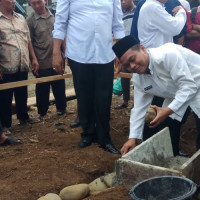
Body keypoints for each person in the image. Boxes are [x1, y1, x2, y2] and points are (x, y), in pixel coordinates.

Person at [52, 0, 125, 154]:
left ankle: (104, 137)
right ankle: (87, 133)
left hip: (105, 52)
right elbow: (60, 22)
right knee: (84, 95)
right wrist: (56, 52)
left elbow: (118, 23)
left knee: (104, 96)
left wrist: (120, 50)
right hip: (79, 51)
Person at [112, 35, 200, 156]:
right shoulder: (138, 78)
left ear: (142, 49)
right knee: (167, 127)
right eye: (127, 65)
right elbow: (139, 108)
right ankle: (172, 161)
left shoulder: (167, 55)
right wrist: (132, 138)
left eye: (132, 59)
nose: (132, 66)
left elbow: (189, 86)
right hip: (177, 93)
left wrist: (167, 110)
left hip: (197, 85)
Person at [0, 0, 40, 134]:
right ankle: (5, 125)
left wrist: (33, 58)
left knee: (22, 91)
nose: (13, 2)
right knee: (5, 96)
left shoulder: (21, 18)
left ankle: (23, 117)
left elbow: (28, 40)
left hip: (22, 63)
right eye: (10, 0)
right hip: (6, 65)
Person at [27, 0, 70, 120]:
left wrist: (65, 53)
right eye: (33, 4)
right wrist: (33, 59)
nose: (36, 6)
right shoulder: (30, 20)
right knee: (42, 88)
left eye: (39, 3)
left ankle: (62, 108)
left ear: (45, 1)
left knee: (59, 84)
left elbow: (63, 35)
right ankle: (43, 113)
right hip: (42, 59)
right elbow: (29, 41)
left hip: (57, 58)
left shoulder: (55, 15)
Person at [115, 0, 135, 109]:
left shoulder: (138, 11)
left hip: (135, 47)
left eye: (124, 0)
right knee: (124, 75)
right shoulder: (121, 15)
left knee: (138, 76)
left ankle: (138, 102)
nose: (122, 2)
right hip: (124, 48)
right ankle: (125, 101)